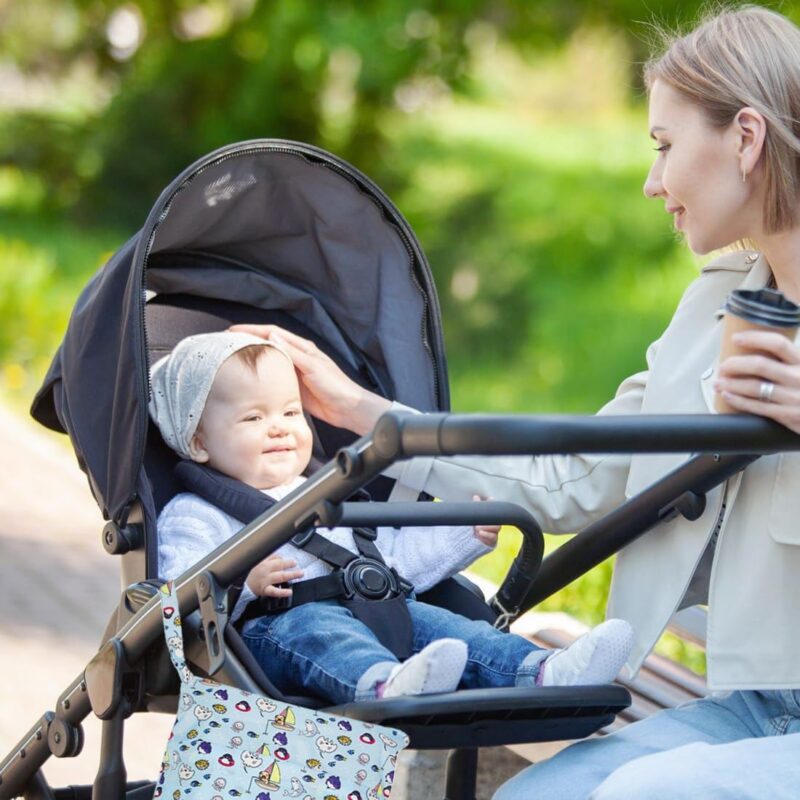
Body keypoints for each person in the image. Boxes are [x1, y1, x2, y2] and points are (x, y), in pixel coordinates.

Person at [231, 6, 800, 797]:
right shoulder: (714, 312)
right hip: (751, 708)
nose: (652, 180)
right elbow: (577, 474)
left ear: (744, 138)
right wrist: (367, 413)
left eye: (665, 146)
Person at [150, 331, 634, 707]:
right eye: (253, 419)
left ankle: (543, 670)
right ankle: (383, 685)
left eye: (291, 412)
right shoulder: (197, 513)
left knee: (441, 623)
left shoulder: (324, 494)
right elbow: (178, 594)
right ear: (198, 443)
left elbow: (389, 561)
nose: (278, 427)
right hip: (268, 636)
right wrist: (242, 579)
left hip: (373, 607)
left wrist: (463, 533)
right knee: (322, 628)